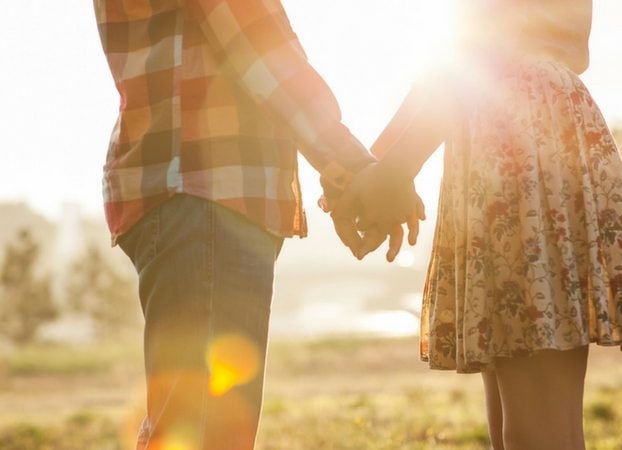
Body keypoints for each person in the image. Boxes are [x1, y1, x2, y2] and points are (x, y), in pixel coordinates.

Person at [339, 1, 622, 448]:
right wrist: (374, 169)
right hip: (505, 129)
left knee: (538, 426)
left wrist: (392, 170)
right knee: (524, 420)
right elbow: (453, 58)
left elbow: (482, 49)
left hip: (520, 132)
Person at [92, 1, 417, 448]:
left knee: (187, 423)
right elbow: (263, 55)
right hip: (205, 187)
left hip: (189, 189)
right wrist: (353, 169)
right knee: (208, 431)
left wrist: (343, 174)